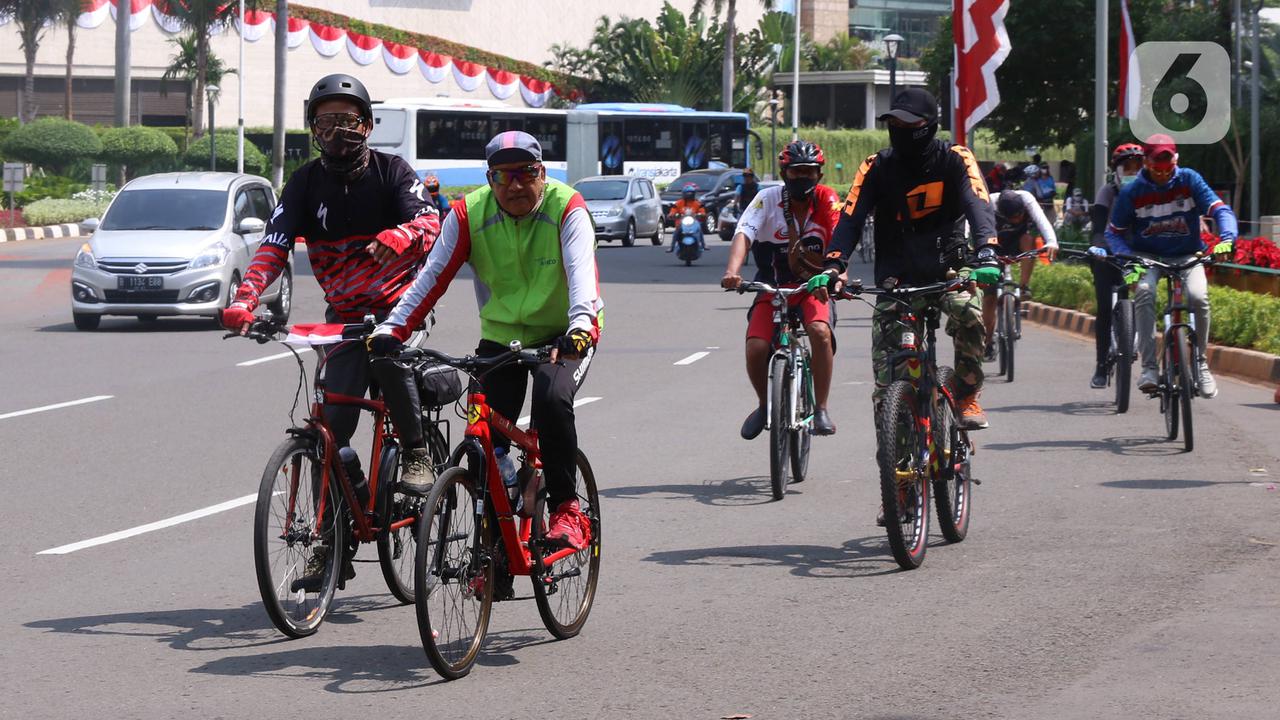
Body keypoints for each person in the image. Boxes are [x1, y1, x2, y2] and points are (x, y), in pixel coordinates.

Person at [221, 74, 441, 589]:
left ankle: (416, 452)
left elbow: (432, 224)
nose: (337, 130)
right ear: (313, 130)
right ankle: (334, 539)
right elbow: (273, 247)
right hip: (343, 317)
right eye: (326, 122)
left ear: (366, 125)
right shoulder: (302, 184)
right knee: (329, 430)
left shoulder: (393, 173)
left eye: (347, 120)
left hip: (397, 311)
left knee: (386, 355)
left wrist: (401, 234)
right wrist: (245, 299)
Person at [369, 130, 604, 551]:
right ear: (489, 178)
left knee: (551, 399)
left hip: (565, 333)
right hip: (502, 338)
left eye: (526, 173)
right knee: (482, 445)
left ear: (542, 173)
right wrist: (392, 329)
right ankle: (494, 552)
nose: (515, 185)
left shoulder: (567, 207)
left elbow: (582, 276)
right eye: (502, 175)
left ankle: (567, 511)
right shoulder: (466, 214)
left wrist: (580, 328)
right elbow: (430, 280)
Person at [807, 87, 999, 433]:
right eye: (893, 122)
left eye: (909, 123)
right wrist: (833, 265)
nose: (900, 130)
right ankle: (894, 448)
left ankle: (967, 393)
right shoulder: (876, 167)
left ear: (929, 125)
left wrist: (987, 251)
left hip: (950, 266)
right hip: (897, 276)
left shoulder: (955, 158)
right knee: (886, 381)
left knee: (969, 312)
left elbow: (978, 203)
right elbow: (849, 219)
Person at [720, 140, 840, 438]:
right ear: (784, 174)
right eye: (796, 172)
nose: (803, 178)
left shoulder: (827, 199)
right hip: (771, 287)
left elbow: (840, 241)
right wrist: (732, 272)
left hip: (815, 286)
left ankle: (821, 409)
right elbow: (743, 234)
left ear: (819, 175)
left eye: (809, 172)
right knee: (756, 347)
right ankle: (764, 404)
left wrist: (839, 274)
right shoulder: (766, 199)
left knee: (820, 333)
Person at [1104, 134, 1237, 398]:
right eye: (1157, 169)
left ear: (1176, 161)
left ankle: (1200, 363)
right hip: (1148, 257)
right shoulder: (1133, 191)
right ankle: (1149, 368)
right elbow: (1113, 233)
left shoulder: (1189, 179)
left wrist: (1227, 238)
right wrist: (1128, 260)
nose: (1164, 175)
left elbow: (1220, 210)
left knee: (1199, 297)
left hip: (1187, 255)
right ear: (1146, 164)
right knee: (1143, 292)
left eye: (1168, 168)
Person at [1084, 143, 1143, 388]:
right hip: (1106, 254)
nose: (1131, 172)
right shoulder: (1107, 192)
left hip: (1137, 255)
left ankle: (1133, 338)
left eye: (1136, 167)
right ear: (1116, 170)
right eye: (1126, 167)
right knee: (1105, 309)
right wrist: (1098, 248)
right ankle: (1100, 367)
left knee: (1144, 299)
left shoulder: (1149, 192)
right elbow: (1098, 229)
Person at [981, 188, 1058, 359]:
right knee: (989, 298)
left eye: (1020, 215)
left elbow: (1042, 221)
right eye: (1014, 217)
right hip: (994, 245)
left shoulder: (1027, 199)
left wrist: (1052, 242)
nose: (1018, 219)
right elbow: (970, 223)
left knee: (1028, 240)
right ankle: (987, 341)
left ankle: (1024, 286)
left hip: (1017, 242)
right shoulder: (987, 203)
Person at [668, 182, 707, 252]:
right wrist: (672, 214)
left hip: (694, 222)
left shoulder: (697, 203)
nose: (689, 195)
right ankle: (672, 246)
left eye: (691, 193)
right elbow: (673, 210)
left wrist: (701, 214)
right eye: (687, 193)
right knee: (676, 232)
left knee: (700, 230)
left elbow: (702, 211)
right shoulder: (679, 203)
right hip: (681, 223)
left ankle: (704, 245)